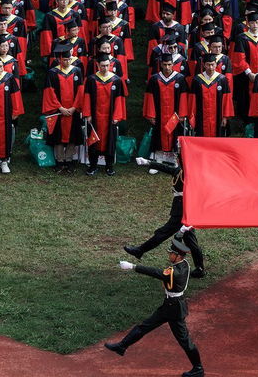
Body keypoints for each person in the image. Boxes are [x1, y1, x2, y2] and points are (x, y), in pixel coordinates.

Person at [106, 234, 205, 377]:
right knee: (144, 326)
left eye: (171, 253)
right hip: (169, 305)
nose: (169, 255)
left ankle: (198, 369)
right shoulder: (185, 264)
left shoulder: (174, 273)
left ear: (178, 256)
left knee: (185, 341)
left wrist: (133, 266)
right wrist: (180, 233)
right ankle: (122, 346)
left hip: (174, 310)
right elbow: (177, 242)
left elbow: (155, 272)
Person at [124, 156, 205, 276]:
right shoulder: (179, 171)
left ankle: (140, 250)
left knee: (163, 233)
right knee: (190, 240)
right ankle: (200, 269)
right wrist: (148, 162)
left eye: (179, 158)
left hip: (182, 210)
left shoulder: (188, 172)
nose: (177, 160)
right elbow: (165, 168)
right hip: (181, 208)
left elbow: (184, 164)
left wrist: (183, 150)